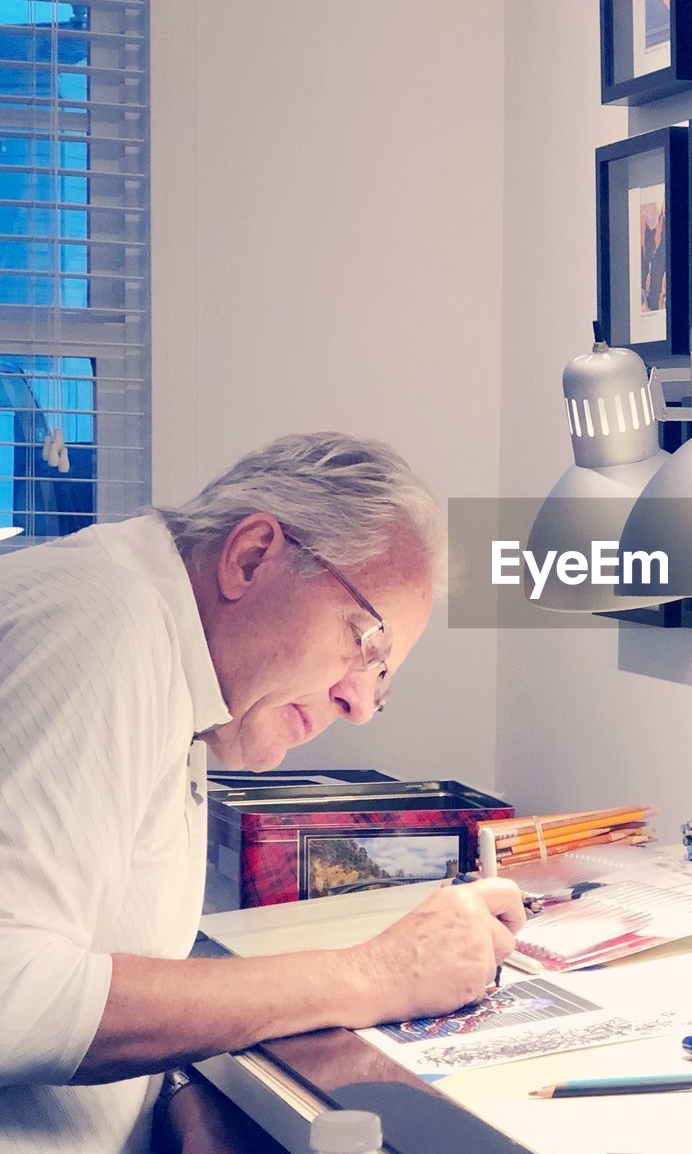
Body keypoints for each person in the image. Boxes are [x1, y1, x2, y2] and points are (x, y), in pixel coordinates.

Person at [0, 432, 525, 1153]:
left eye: (382, 679)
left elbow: (112, 948)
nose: (360, 705)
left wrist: (180, 1091)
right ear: (251, 556)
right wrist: (377, 973)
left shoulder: (178, 676)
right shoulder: (100, 627)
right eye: (367, 644)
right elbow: (11, 994)